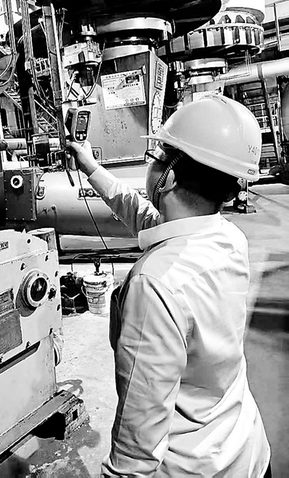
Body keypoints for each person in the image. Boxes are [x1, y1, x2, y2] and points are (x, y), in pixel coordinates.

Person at [67, 94, 271, 477]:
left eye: (158, 156)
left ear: (170, 177)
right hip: (247, 449)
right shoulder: (228, 238)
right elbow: (145, 216)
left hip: (192, 468)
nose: (152, 163)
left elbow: (136, 447)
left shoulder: (154, 285)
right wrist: (91, 167)